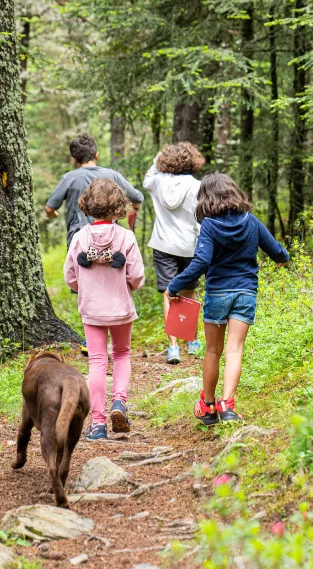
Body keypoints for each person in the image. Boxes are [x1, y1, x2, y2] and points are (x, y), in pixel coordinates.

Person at [165, 173, 289, 424]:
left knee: (213, 350)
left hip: (218, 293)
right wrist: (283, 258)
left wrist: (174, 286)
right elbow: (277, 251)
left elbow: (201, 261)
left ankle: (208, 405)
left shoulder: (210, 226)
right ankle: (227, 405)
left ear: (206, 197)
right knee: (235, 349)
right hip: (245, 293)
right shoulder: (251, 221)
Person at [64, 179, 145, 440]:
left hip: (92, 309)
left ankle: (98, 424)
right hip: (120, 308)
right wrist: (129, 284)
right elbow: (137, 276)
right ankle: (119, 402)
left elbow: (70, 276)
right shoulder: (126, 237)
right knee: (121, 354)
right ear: (118, 206)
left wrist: (83, 287)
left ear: (88, 205)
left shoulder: (80, 237)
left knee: (97, 361)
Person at [143, 142, 204, 364]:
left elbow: (148, 177)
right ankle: (193, 341)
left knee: (169, 293)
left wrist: (160, 155)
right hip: (189, 245)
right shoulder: (197, 186)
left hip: (163, 244)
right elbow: (200, 219)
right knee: (189, 291)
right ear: (192, 161)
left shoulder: (157, 181)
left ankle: (173, 347)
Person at [46, 134, 144, 249]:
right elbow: (137, 198)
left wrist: (53, 215)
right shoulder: (112, 175)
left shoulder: (69, 178)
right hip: (108, 240)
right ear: (96, 155)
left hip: (79, 241)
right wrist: (134, 207)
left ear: (74, 160)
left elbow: (49, 209)